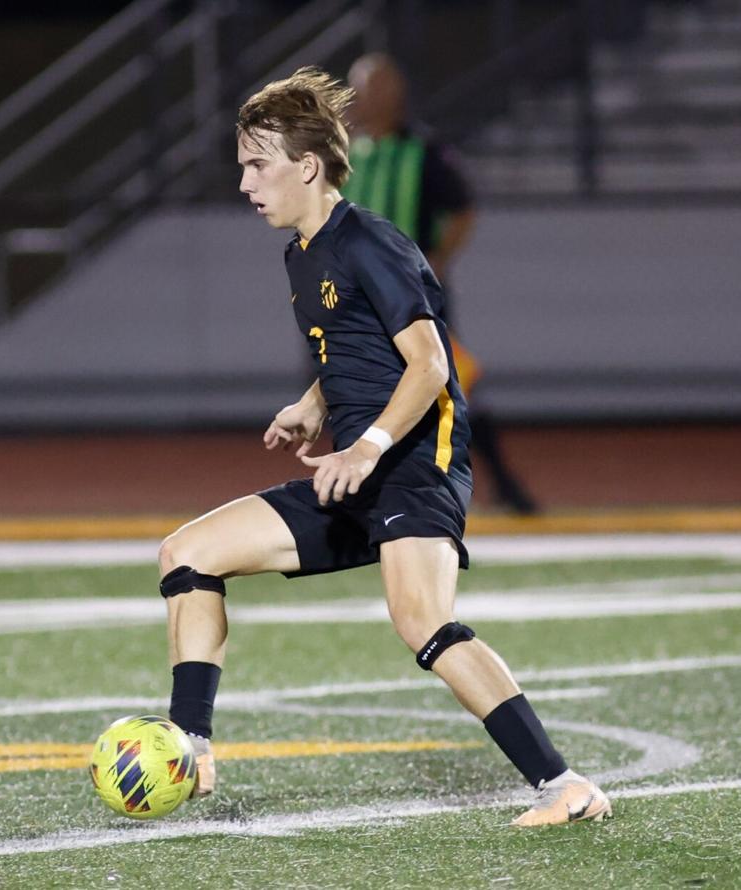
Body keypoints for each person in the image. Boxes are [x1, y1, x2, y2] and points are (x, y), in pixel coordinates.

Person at [158, 67, 609, 826]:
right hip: (357, 469)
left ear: (306, 167)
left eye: (256, 164)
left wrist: (363, 448)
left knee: (422, 623)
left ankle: (564, 785)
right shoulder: (301, 253)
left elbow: (431, 364)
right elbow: (357, 357)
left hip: (413, 467)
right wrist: (312, 405)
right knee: (185, 555)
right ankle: (192, 746)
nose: (244, 183)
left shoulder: (369, 241)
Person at [341, 53, 538, 515]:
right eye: (361, 89)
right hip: (355, 302)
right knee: (345, 389)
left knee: (453, 383)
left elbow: (464, 208)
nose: (365, 99)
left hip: (414, 301)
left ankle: (501, 483)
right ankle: (357, 492)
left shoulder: (423, 152)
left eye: (375, 89)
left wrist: (438, 259)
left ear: (397, 95)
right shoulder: (346, 154)